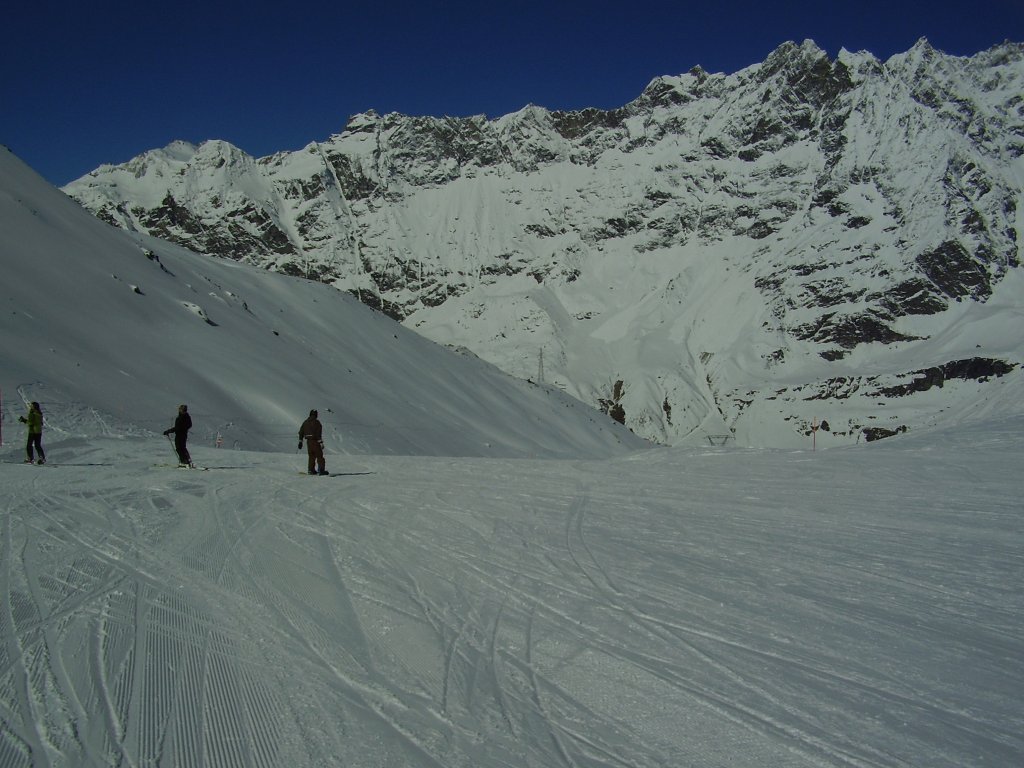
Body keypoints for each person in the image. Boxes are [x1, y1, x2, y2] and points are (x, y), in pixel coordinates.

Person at [298, 409, 329, 475]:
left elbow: (301, 432)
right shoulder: (317, 422)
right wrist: (321, 443)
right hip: (315, 442)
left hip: (308, 442)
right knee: (319, 456)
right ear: (316, 415)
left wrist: (300, 441)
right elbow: (318, 434)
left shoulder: (305, 422)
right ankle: (321, 470)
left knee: (311, 456)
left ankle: (311, 470)